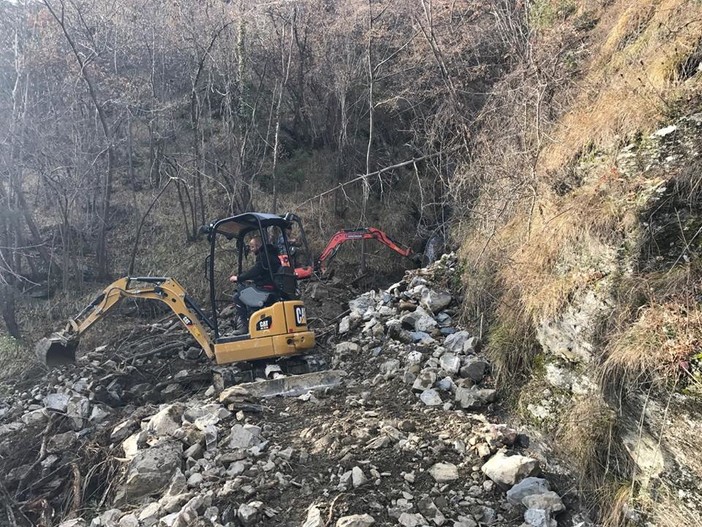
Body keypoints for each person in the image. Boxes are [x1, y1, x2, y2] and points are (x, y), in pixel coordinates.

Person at [229, 236, 281, 333]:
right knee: (248, 290)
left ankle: (245, 327)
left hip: (266, 289)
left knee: (238, 296)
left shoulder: (263, 256)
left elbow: (256, 270)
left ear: (258, 246)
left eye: (252, 247)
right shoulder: (273, 255)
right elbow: (265, 273)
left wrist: (239, 278)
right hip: (274, 287)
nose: (251, 250)